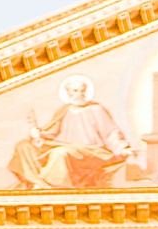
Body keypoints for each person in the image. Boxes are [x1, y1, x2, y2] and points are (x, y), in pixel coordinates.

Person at [9, 76, 138, 191]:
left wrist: (122, 148)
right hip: (65, 146)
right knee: (23, 145)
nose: (80, 94)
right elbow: (51, 132)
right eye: (75, 91)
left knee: (60, 153)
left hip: (92, 151)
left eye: (82, 91)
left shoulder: (96, 109)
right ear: (68, 93)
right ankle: (35, 181)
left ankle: (48, 188)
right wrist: (37, 134)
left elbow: (110, 133)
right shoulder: (64, 110)